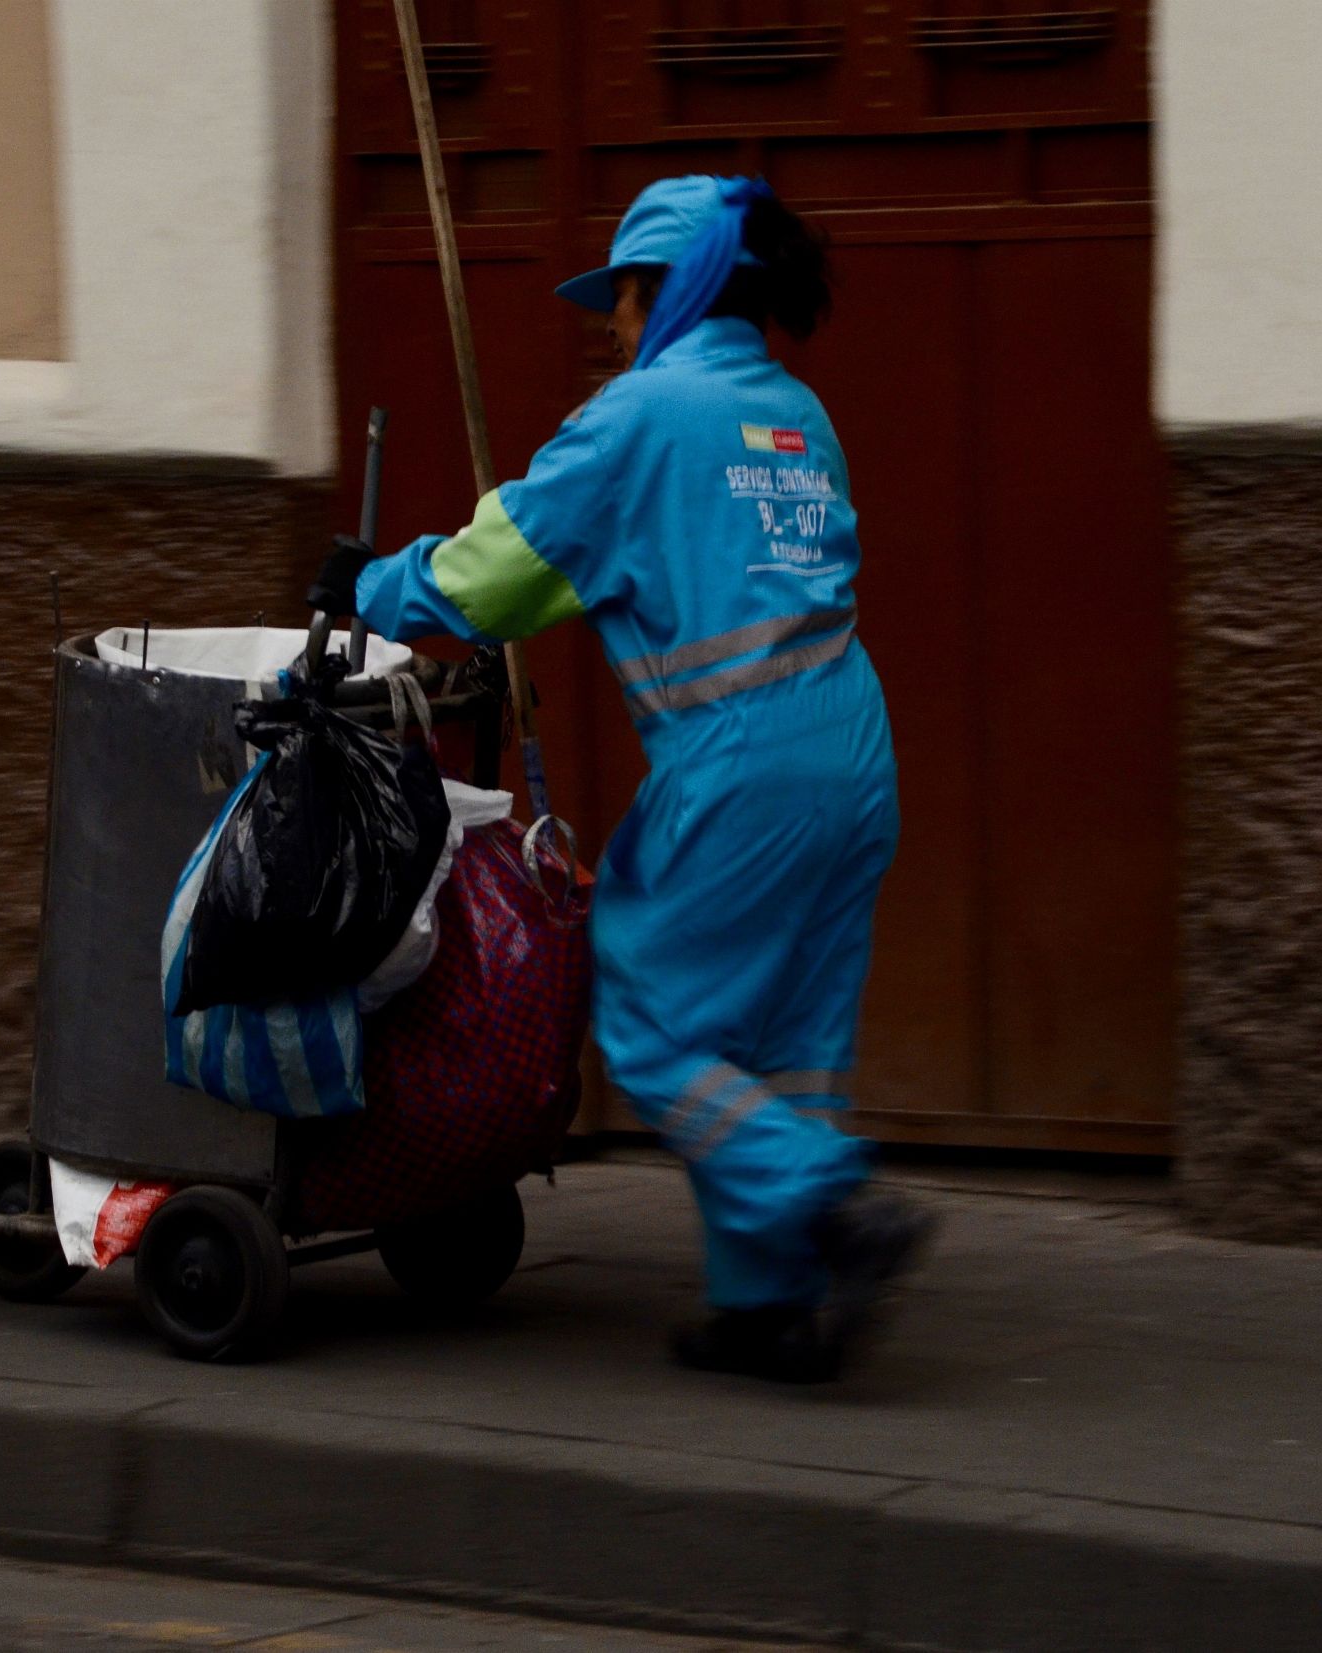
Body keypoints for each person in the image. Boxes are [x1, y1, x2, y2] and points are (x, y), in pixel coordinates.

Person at [311, 175, 931, 1383]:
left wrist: (371, 585)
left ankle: (832, 1202)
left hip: (739, 756)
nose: (610, 320)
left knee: (648, 1013)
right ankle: (772, 1306)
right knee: (789, 1037)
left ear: (675, 287)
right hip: (849, 747)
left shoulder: (643, 415)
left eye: (622, 294)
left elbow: (498, 581)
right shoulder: (797, 414)